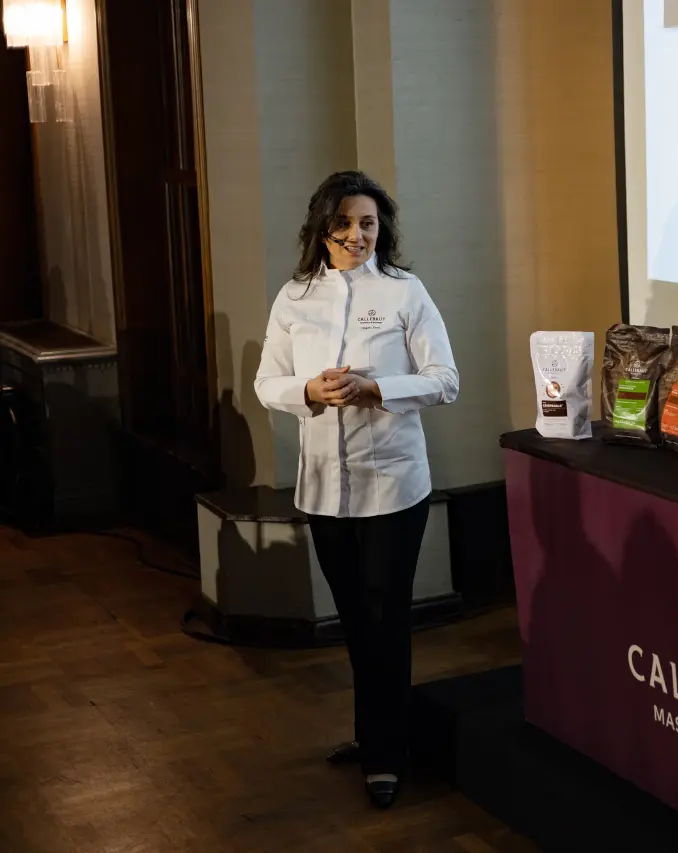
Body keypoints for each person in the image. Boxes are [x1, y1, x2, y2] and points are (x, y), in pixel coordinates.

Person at [254, 170, 459, 809]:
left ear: (381, 229)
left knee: (384, 618)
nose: (356, 235)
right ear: (321, 228)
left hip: (394, 485)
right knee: (355, 618)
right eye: (343, 223)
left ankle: (386, 754)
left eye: (367, 223)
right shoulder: (294, 296)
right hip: (324, 489)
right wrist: (308, 390)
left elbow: (445, 379)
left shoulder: (404, 291)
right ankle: (376, 733)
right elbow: (267, 382)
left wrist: (378, 389)